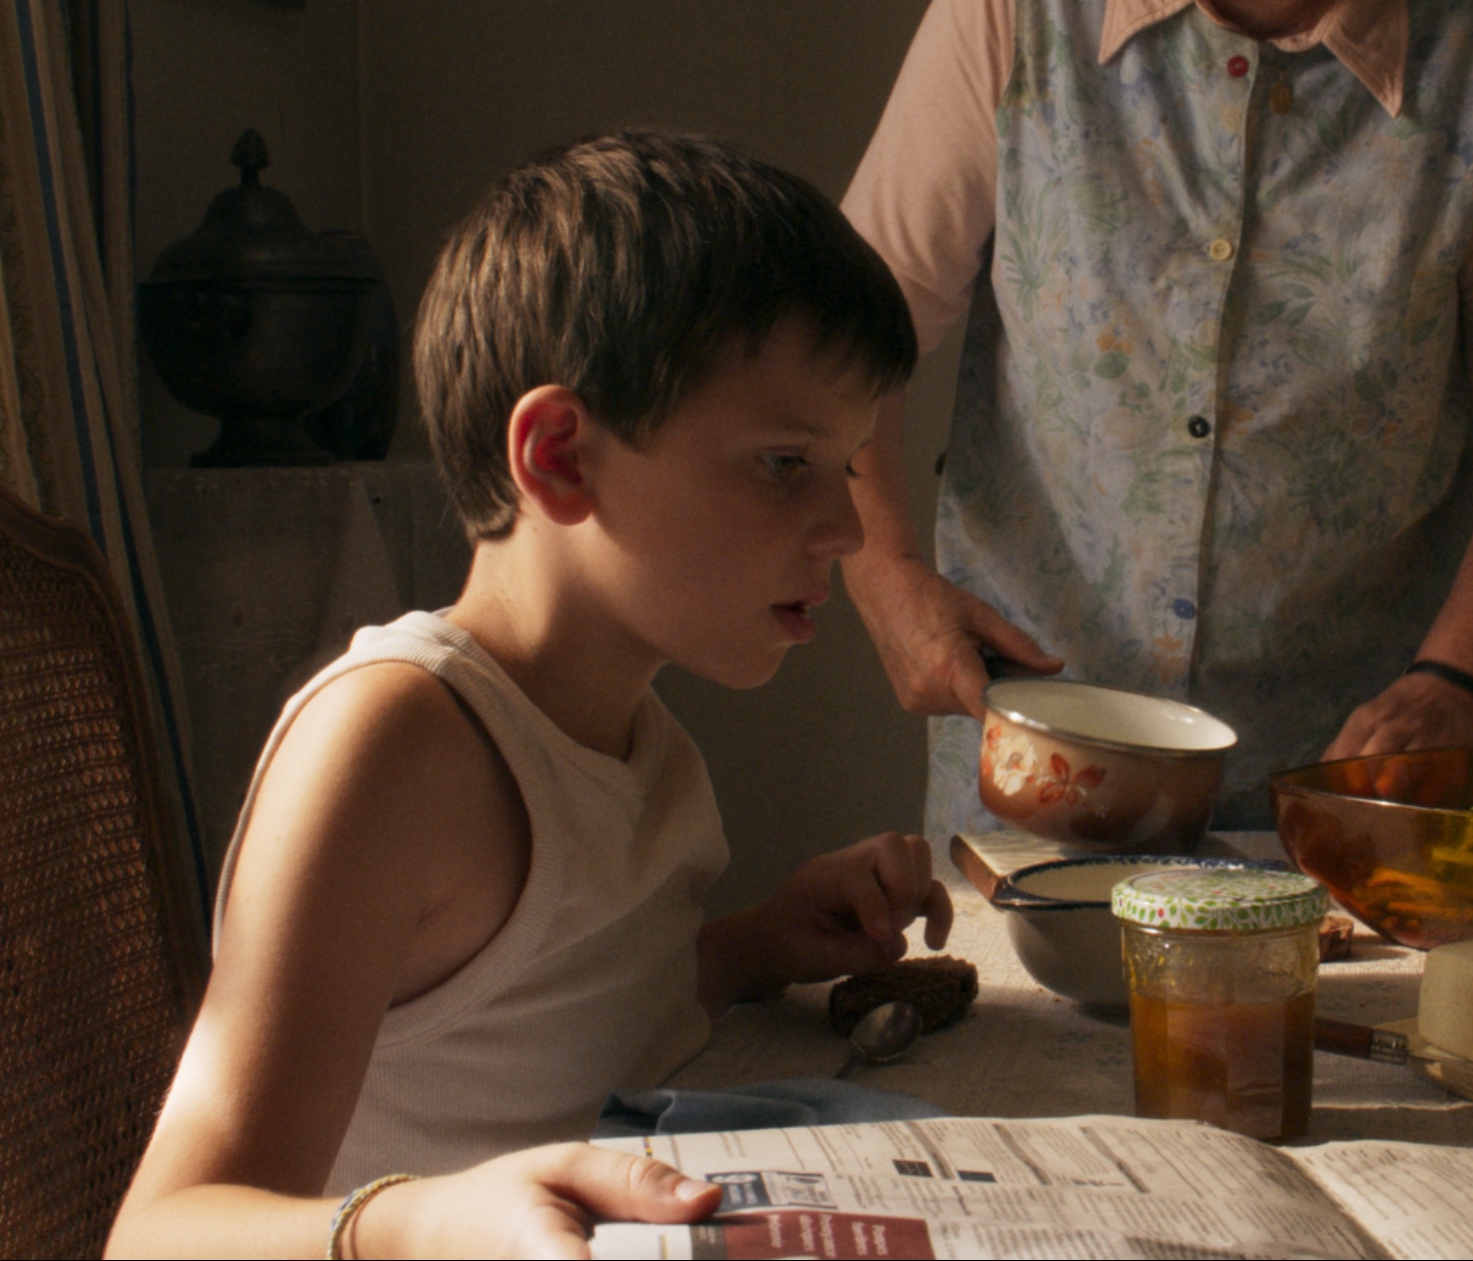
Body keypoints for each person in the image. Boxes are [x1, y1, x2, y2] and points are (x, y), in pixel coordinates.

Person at [108, 132, 953, 1258]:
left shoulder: (639, 740)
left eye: (847, 469)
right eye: (783, 463)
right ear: (560, 456)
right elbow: (163, 1235)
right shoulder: (391, 743)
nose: (848, 530)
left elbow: (550, 1024)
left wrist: (755, 946)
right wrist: (423, 1225)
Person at [841, 0, 1473, 841]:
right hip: (1047, 745)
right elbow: (849, 326)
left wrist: (1457, 675)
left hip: (1357, 765)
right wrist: (887, 582)